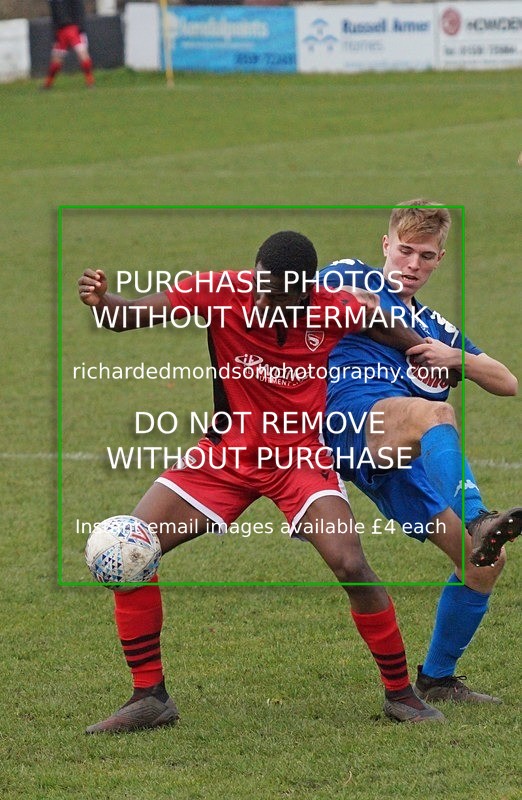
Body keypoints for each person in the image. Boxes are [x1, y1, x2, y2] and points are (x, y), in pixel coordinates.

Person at [78, 230, 443, 733]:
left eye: (284, 297)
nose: (270, 304)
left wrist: (425, 350)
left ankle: (402, 695)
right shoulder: (220, 290)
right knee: (131, 546)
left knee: (351, 562)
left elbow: (381, 325)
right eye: (264, 291)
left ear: (307, 290)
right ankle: (149, 697)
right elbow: (128, 316)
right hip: (225, 458)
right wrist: (103, 301)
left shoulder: (332, 306)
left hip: (298, 459)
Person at [320, 201, 521, 704]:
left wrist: (457, 358)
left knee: (482, 564)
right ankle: (478, 515)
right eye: (404, 250)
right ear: (385, 245)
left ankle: (437, 677)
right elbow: (331, 300)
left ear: (439, 259)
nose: (412, 264)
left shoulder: (439, 328)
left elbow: (507, 382)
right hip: (351, 419)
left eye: (426, 256)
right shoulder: (352, 275)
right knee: (435, 414)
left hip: (405, 458)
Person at [43, 0, 94, 89]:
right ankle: (48, 84)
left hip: (74, 29)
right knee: (56, 59)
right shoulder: (53, 2)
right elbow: (54, 18)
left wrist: (80, 29)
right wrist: (55, 36)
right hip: (61, 31)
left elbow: (80, 11)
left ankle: (90, 82)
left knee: (82, 54)